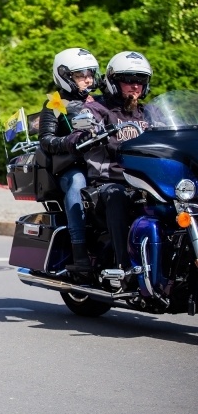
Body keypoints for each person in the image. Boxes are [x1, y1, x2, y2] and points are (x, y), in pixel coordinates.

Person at [81, 51, 153, 272]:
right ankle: (123, 265)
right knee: (117, 195)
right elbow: (80, 132)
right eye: (128, 80)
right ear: (113, 82)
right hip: (109, 181)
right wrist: (87, 134)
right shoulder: (98, 109)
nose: (135, 86)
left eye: (141, 80)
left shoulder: (150, 113)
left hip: (147, 182)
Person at [37, 47, 101, 274]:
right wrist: (70, 142)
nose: (87, 79)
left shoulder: (100, 101)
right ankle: (79, 252)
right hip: (72, 167)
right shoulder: (55, 104)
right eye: (80, 75)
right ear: (65, 76)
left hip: (101, 163)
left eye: (90, 74)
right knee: (77, 183)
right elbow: (45, 140)